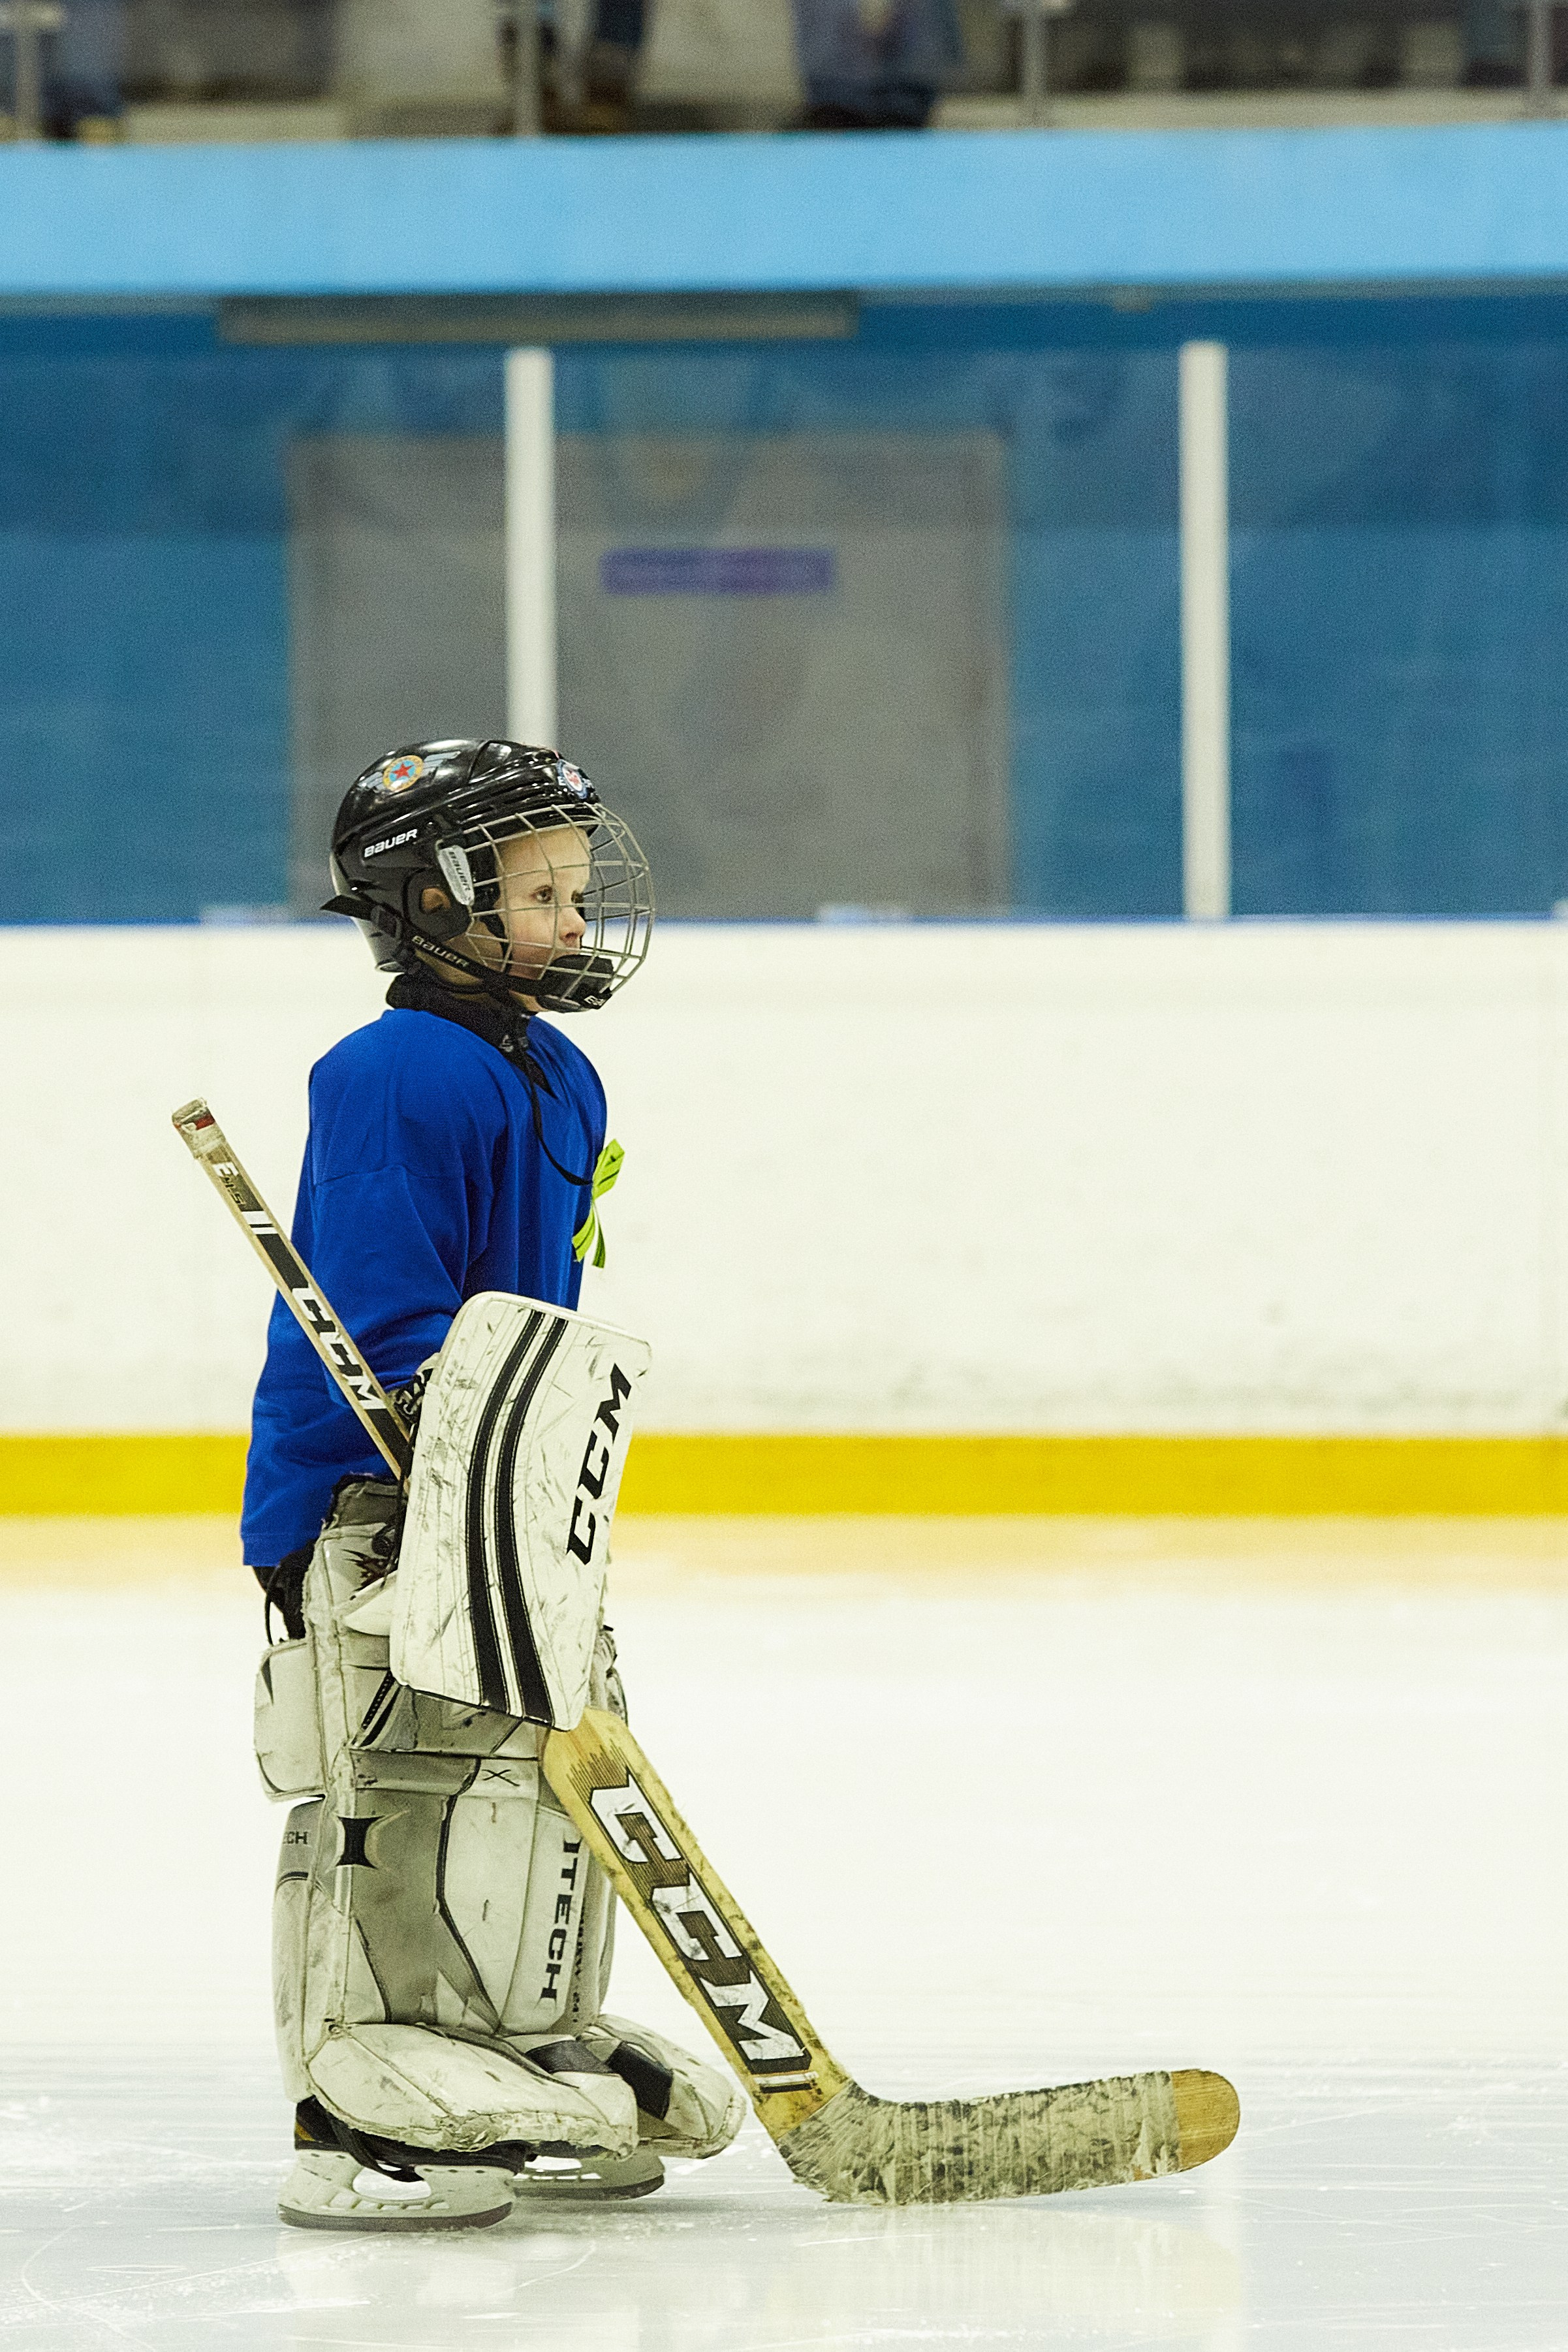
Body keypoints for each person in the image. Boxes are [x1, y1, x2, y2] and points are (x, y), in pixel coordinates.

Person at [243, 737, 744, 2231]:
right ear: (435, 900)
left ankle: (511, 2035)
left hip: (507, 1487)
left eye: (576, 888)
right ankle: (350, 2101)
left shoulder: (560, 1069)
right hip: (375, 1497)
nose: (576, 920)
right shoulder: (393, 1070)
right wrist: (432, 1443)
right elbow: (387, 1305)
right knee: (390, 1779)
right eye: (540, 892)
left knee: (535, 1775)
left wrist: (522, 1466)